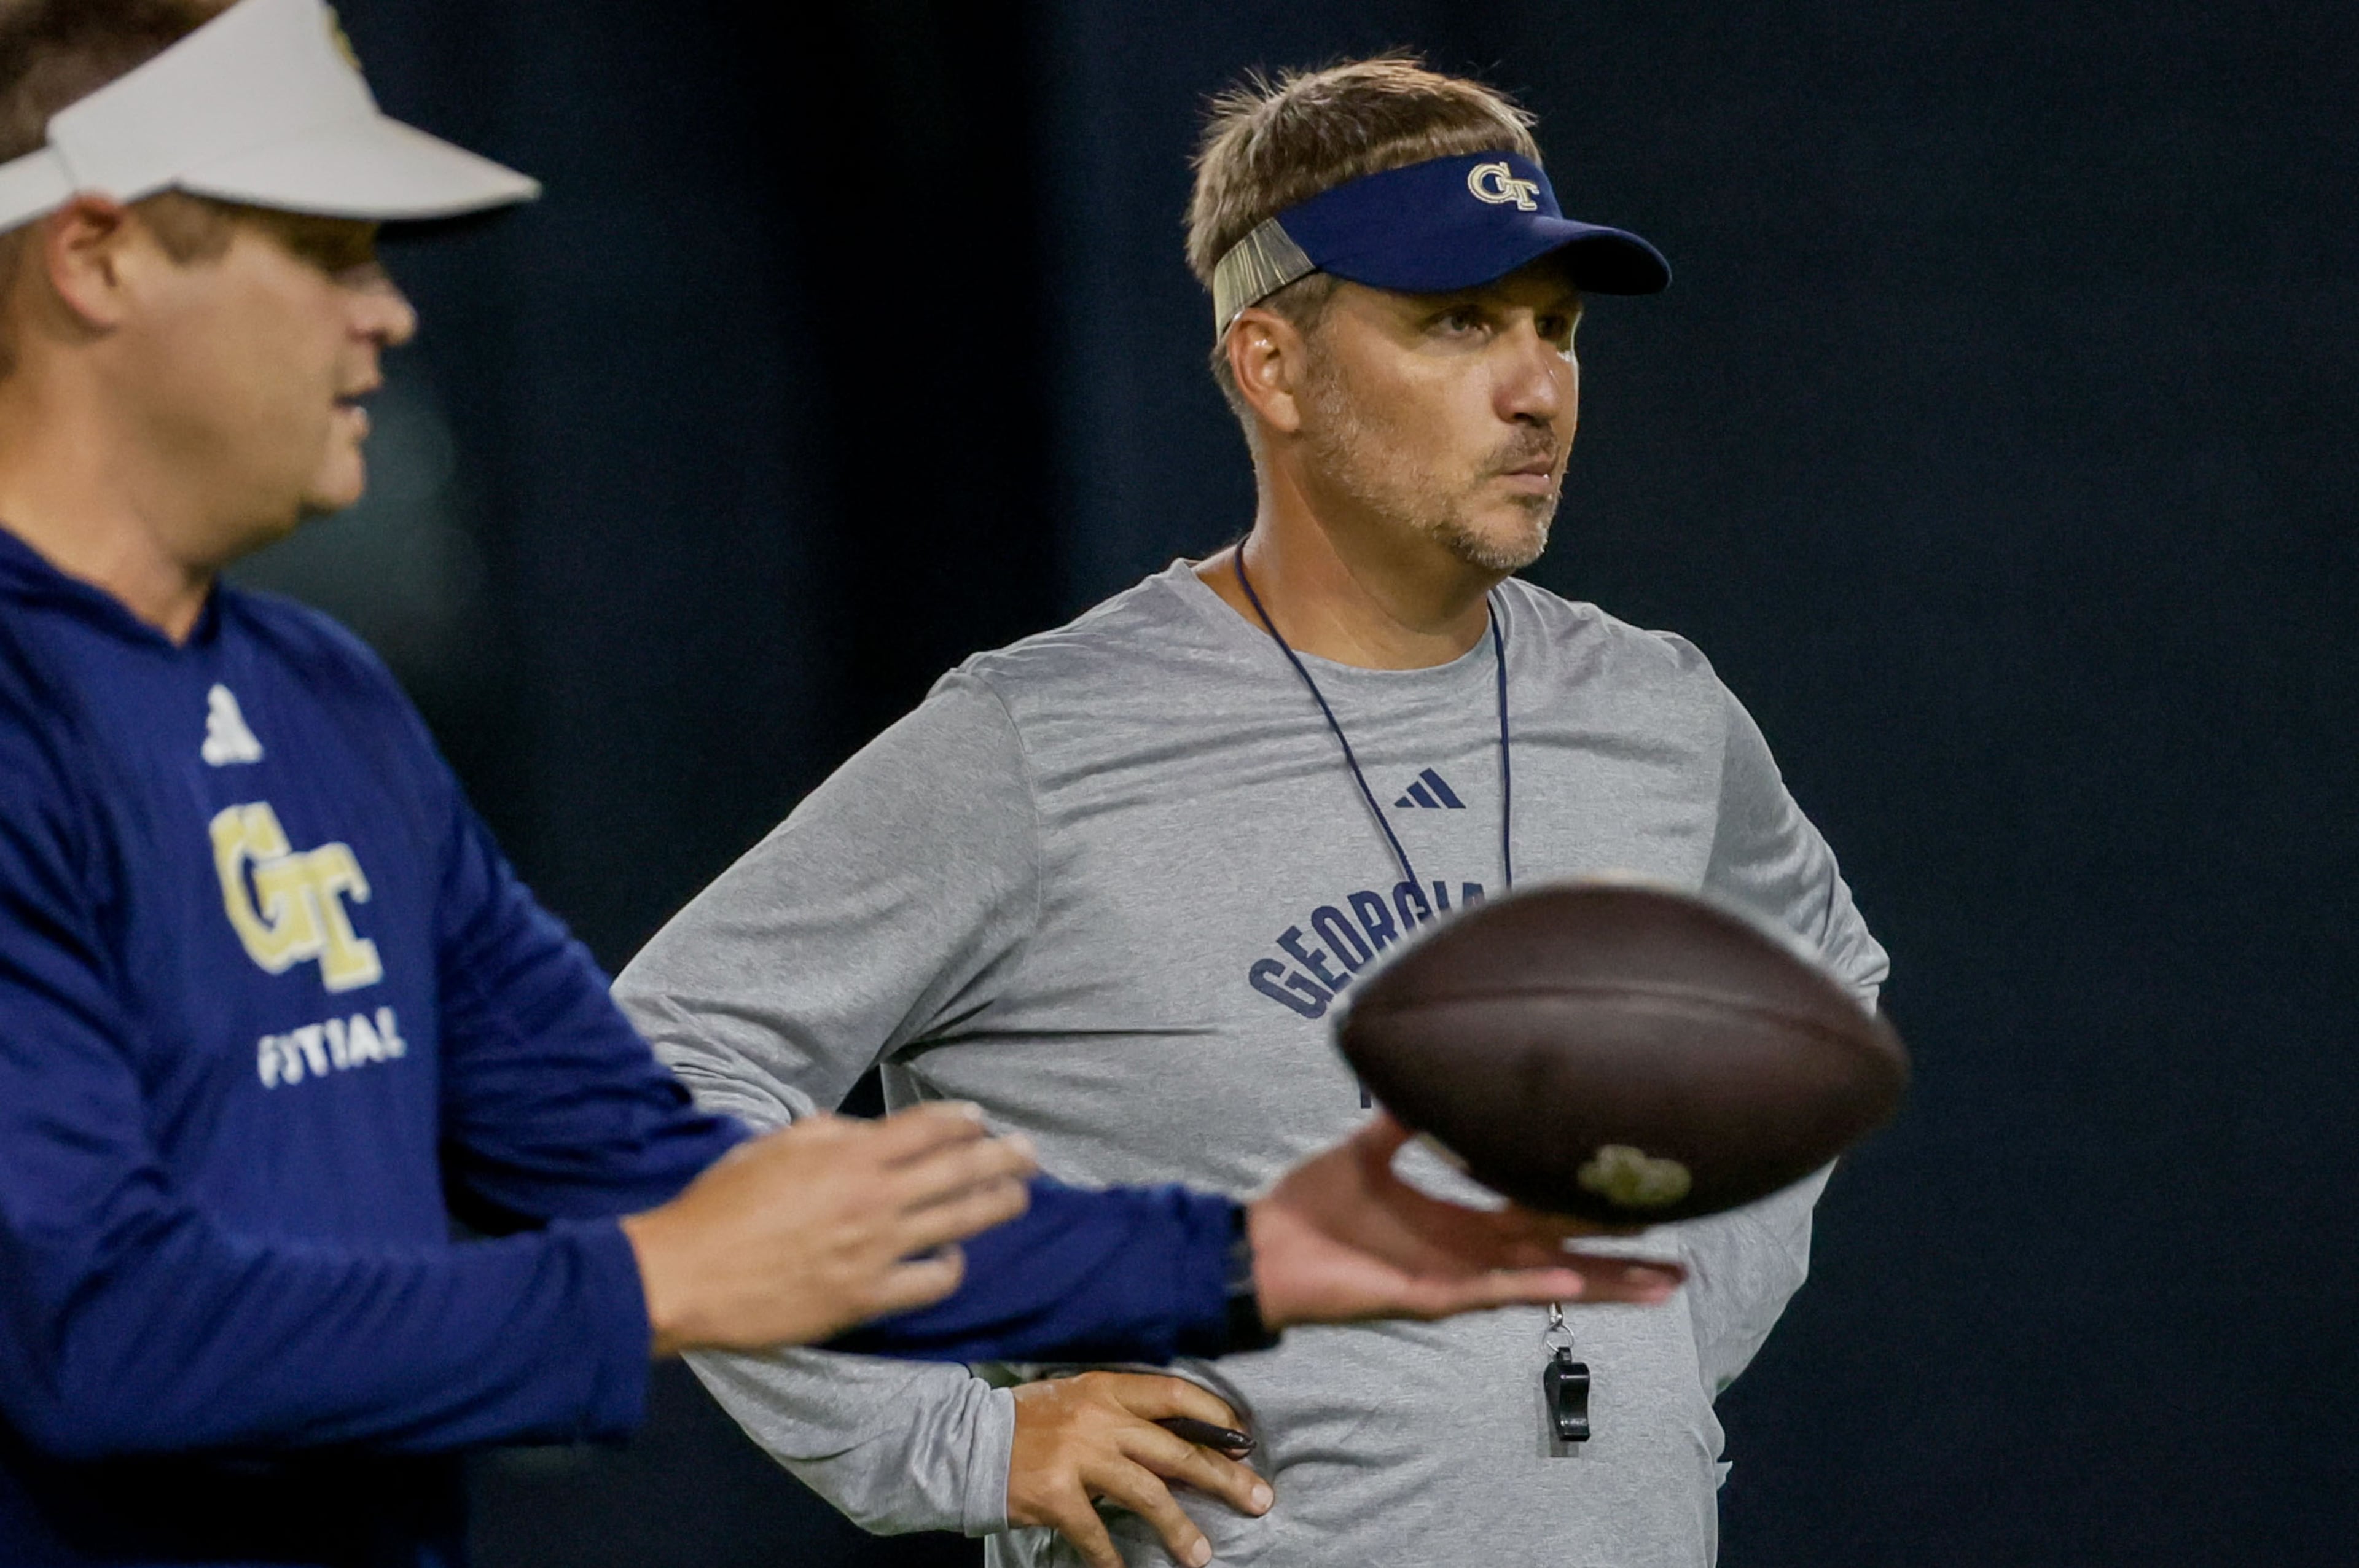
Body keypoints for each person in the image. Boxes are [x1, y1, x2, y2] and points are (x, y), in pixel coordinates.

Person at [0, 11, 1681, 1567]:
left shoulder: (317, 704)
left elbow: (642, 1151)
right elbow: (93, 1337)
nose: (386, 309)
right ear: (96, 258)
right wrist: (666, 1290)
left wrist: (1232, 1261)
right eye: (321, 252)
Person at [616, 55, 1891, 1568]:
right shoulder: (1038, 739)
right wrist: (955, 1438)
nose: (1537, 385)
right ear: (1273, 366)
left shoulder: (1656, 714)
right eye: (1460, 321)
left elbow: (1821, 990)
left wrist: (1681, 1318)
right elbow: (654, 1075)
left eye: (1557, 329)